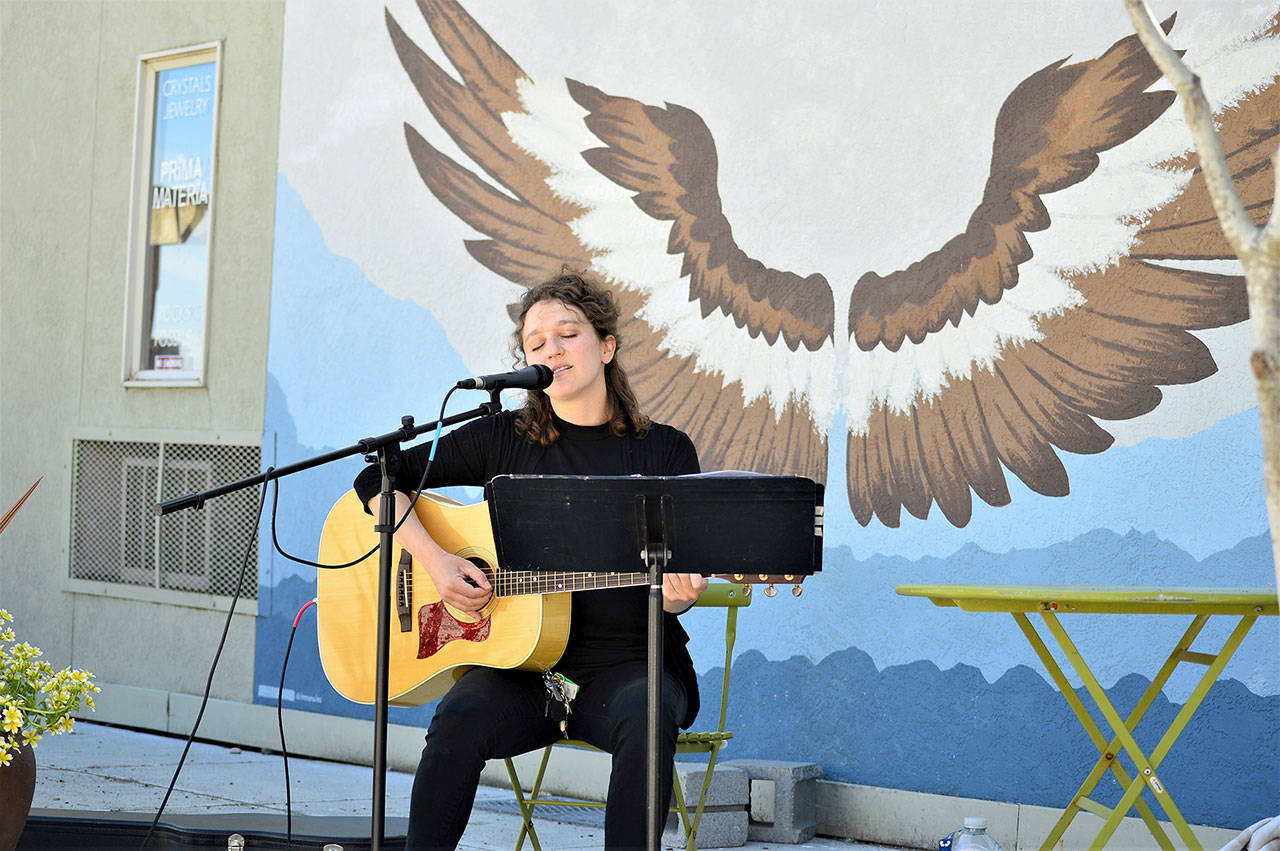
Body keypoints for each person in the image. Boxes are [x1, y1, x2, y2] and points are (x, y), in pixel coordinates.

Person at [353, 270, 708, 850]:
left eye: (567, 335)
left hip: (630, 667)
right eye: (536, 344)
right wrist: (438, 562)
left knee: (647, 716)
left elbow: (684, 568)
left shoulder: (664, 450)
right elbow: (378, 478)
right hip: (522, 667)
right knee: (458, 717)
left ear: (607, 346)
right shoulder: (503, 439)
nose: (551, 351)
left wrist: (677, 594)